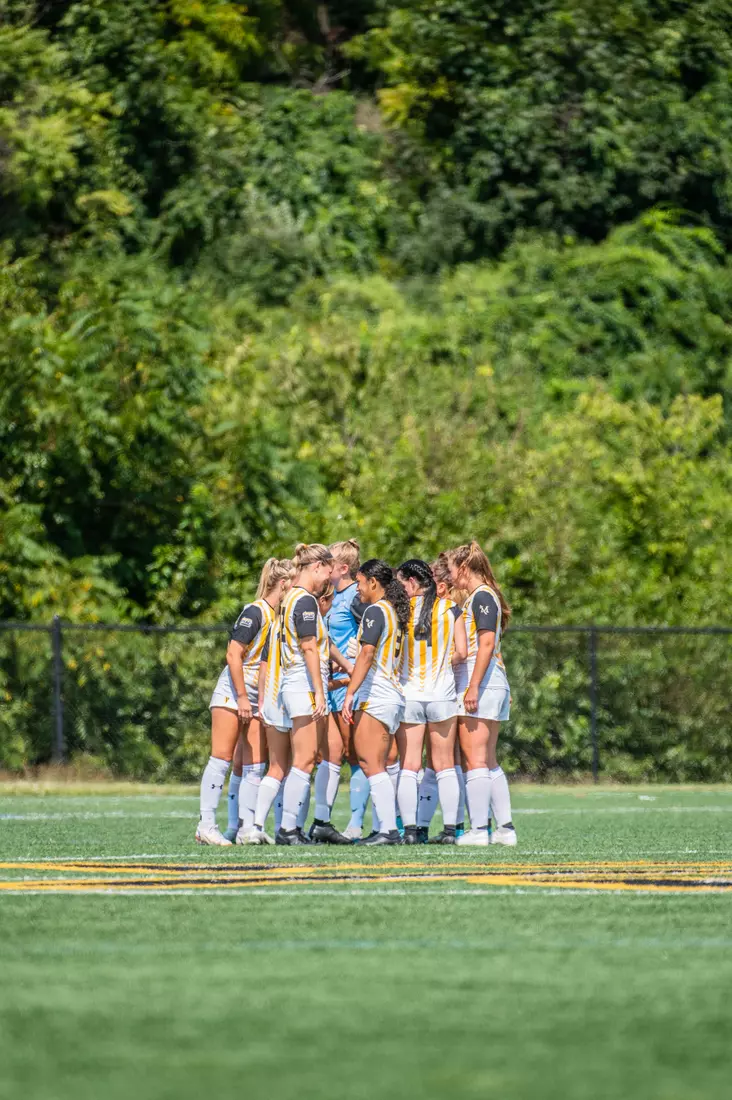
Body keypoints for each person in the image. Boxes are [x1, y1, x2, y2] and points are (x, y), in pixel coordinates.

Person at [195, 557, 294, 846]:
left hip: (255, 697)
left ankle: (244, 828)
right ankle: (206, 824)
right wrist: (240, 697)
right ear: (284, 583)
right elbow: (233, 654)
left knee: (253, 766)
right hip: (233, 693)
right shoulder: (256, 611)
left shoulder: (280, 615)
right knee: (222, 758)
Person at [447, 541, 516, 847]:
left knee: (474, 760)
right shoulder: (482, 595)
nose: (450, 577)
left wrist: (473, 685)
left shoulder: (482, 596)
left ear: (463, 568)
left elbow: (486, 643)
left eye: (452, 570)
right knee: (487, 760)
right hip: (492, 683)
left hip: (482, 683)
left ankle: (478, 830)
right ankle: (505, 829)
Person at [395, 559, 467, 844]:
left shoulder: (400, 611)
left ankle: (410, 831)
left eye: (401, 583)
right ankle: (450, 830)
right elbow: (462, 651)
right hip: (441, 695)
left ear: (413, 582)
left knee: (409, 765)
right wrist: (442, 666)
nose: (399, 589)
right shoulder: (450, 608)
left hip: (409, 694)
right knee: (445, 764)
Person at [342, 560, 409, 846]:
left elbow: (367, 655)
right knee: (378, 763)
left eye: (359, 581)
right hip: (390, 695)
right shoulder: (392, 611)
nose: (357, 588)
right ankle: (387, 826)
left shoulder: (375, 610)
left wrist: (349, 693)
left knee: (371, 763)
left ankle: (389, 831)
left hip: (377, 695)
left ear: (372, 582)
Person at [276, 543, 339, 845]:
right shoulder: (304, 601)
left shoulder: (291, 598)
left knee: (306, 759)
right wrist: (319, 691)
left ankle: (292, 827)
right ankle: (288, 829)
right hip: (302, 685)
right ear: (316, 568)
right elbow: (309, 647)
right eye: (327, 572)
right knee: (303, 761)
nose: (329, 579)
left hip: (295, 684)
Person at [315, 538, 368, 841]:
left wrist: (353, 663)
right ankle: (322, 822)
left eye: (328, 563)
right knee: (330, 755)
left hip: (351, 687)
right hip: (333, 687)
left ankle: (357, 824)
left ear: (342, 568)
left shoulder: (355, 599)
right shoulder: (330, 597)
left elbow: (372, 639)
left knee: (356, 754)